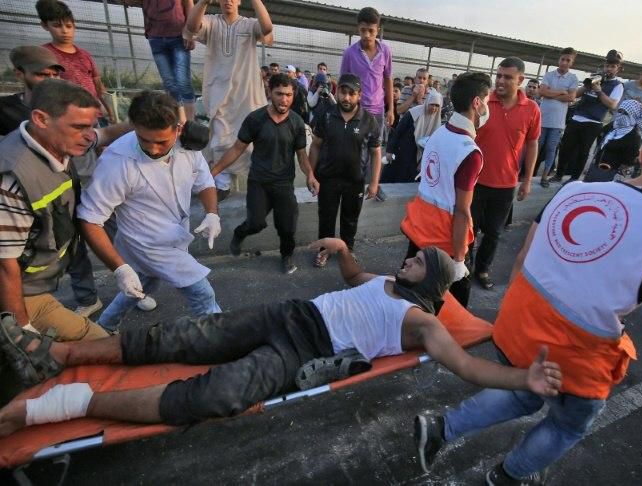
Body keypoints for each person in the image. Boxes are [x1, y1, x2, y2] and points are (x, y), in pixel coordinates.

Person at [415, 110, 642, 486]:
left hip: (518, 320)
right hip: (573, 354)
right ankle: (508, 477)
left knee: (522, 391)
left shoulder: (575, 190)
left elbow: (522, 259)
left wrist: (514, 320)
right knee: (566, 425)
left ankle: (441, 427)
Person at [0, 238, 562, 434]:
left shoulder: (424, 323)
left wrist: (523, 377)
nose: (413, 257)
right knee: (177, 337)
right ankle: (61, 354)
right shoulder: (387, 279)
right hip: (287, 314)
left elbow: (466, 367)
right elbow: (350, 279)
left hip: (302, 351)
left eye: (423, 261)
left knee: (217, 395)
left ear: (433, 282)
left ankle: (73, 404)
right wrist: (342, 248)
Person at [77, 92, 221, 332]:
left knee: (141, 283)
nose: (153, 149)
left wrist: (212, 213)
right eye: (145, 140)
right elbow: (90, 219)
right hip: (145, 242)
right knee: (202, 292)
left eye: (162, 142)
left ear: (178, 128)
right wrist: (119, 267)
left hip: (174, 233)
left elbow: (204, 181)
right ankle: (216, 337)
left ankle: (104, 327)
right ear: (133, 127)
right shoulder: (117, 162)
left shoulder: (187, 145)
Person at [0, 79, 108, 342]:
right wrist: (22, 333)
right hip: (22, 293)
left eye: (92, 126)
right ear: (41, 119)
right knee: (97, 346)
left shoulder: (57, 142)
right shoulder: (11, 179)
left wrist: (145, 126)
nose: (89, 135)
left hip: (37, 286)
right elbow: (4, 266)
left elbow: (105, 135)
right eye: (80, 127)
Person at [400, 72, 491, 308]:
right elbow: (462, 211)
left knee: (410, 286)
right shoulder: (469, 151)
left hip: (420, 227)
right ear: (477, 103)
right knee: (454, 300)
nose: (487, 106)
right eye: (487, 100)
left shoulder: (440, 133)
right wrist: (460, 258)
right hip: (445, 237)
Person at [211, 74, 313, 275]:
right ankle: (240, 233)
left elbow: (302, 156)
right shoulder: (255, 119)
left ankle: (286, 255)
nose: (284, 100)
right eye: (279, 94)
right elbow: (237, 148)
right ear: (270, 92)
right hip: (259, 182)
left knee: (287, 227)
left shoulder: (297, 122)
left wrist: (310, 175)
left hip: (284, 184)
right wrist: (213, 172)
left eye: (289, 95)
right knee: (256, 223)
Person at [185, 0, 273, 199]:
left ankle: (256, 180)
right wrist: (203, 2)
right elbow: (192, 26)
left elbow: (267, 28)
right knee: (221, 134)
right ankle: (222, 182)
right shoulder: (211, 21)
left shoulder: (249, 24)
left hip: (246, 92)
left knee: (250, 136)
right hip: (218, 88)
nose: (229, 1)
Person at [470, 57, 541, 290]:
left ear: (520, 80)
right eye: (498, 75)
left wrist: (527, 181)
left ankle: (481, 269)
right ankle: (461, 268)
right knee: (468, 230)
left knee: (493, 233)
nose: (500, 80)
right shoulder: (482, 102)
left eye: (507, 77)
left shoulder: (531, 109)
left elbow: (532, 144)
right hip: (474, 181)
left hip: (506, 185)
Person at [309, 74, 382, 266]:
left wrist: (374, 182)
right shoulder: (326, 114)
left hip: (354, 181)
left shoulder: (369, 121)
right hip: (327, 179)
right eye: (343, 92)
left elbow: (375, 153)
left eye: (352, 93)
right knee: (326, 217)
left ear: (359, 95)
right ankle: (324, 250)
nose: (346, 98)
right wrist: (311, 174)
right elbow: (315, 145)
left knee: (350, 219)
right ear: (337, 91)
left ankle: (347, 250)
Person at [35, 0, 116, 125]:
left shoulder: (84, 55)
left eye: (68, 26)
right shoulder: (45, 54)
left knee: (98, 142)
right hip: (66, 116)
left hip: (94, 114)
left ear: (74, 25)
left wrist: (110, 112)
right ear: (45, 26)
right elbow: (41, 88)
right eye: (57, 25)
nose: (64, 31)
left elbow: (99, 86)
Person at [552, 50, 624, 183]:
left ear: (618, 69)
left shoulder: (618, 85)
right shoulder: (595, 77)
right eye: (607, 65)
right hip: (576, 118)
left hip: (593, 122)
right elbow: (576, 95)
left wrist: (599, 91)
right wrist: (587, 86)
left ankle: (574, 178)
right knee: (565, 148)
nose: (609, 69)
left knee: (583, 152)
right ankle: (558, 174)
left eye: (613, 66)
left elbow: (612, 104)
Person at [127, 0, 197, 123]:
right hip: (156, 38)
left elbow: (189, 5)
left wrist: (191, 33)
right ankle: (180, 120)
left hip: (179, 36)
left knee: (183, 81)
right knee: (169, 82)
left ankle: (191, 122)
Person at [340, 7, 394, 136]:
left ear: (378, 31)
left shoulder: (385, 51)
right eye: (363, 30)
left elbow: (387, 79)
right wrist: (341, 110)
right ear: (358, 28)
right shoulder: (349, 53)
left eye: (371, 30)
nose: (367, 35)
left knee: (375, 147)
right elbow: (343, 83)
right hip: (356, 110)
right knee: (355, 148)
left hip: (378, 111)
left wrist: (391, 109)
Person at [538, 47, 579, 187]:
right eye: (562, 59)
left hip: (557, 123)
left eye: (568, 60)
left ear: (571, 63)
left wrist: (552, 93)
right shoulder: (549, 75)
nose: (564, 62)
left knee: (551, 149)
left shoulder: (573, 78)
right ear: (559, 59)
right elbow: (542, 91)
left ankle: (544, 177)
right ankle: (525, 173)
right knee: (536, 147)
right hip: (542, 119)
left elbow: (571, 97)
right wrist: (561, 92)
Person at [383, 90, 443, 183]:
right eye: (432, 104)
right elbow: (398, 131)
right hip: (403, 151)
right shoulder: (414, 113)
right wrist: (389, 150)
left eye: (437, 106)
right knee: (395, 178)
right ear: (427, 103)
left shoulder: (436, 119)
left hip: (419, 156)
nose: (434, 108)